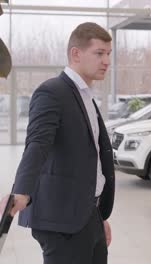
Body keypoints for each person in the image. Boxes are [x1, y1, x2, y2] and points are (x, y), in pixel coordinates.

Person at [9, 22, 115, 264]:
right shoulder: (52, 92)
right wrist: (21, 191)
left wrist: (98, 217)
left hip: (89, 214)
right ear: (75, 54)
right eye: (99, 53)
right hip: (63, 221)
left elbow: (91, 156)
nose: (106, 61)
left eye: (108, 54)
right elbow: (37, 143)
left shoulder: (85, 95)